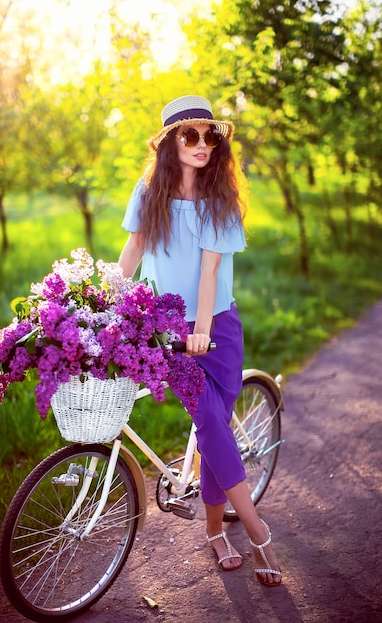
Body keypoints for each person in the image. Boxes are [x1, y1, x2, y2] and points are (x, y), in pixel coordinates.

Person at [118, 95, 282, 586]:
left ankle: (215, 530)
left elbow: (210, 273)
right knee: (211, 419)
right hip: (168, 328)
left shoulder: (220, 197)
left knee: (214, 430)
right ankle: (257, 530)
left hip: (217, 329)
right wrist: (103, 301)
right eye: (190, 135)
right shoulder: (149, 194)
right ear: (170, 142)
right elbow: (133, 251)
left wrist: (203, 331)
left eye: (211, 135)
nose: (203, 144)